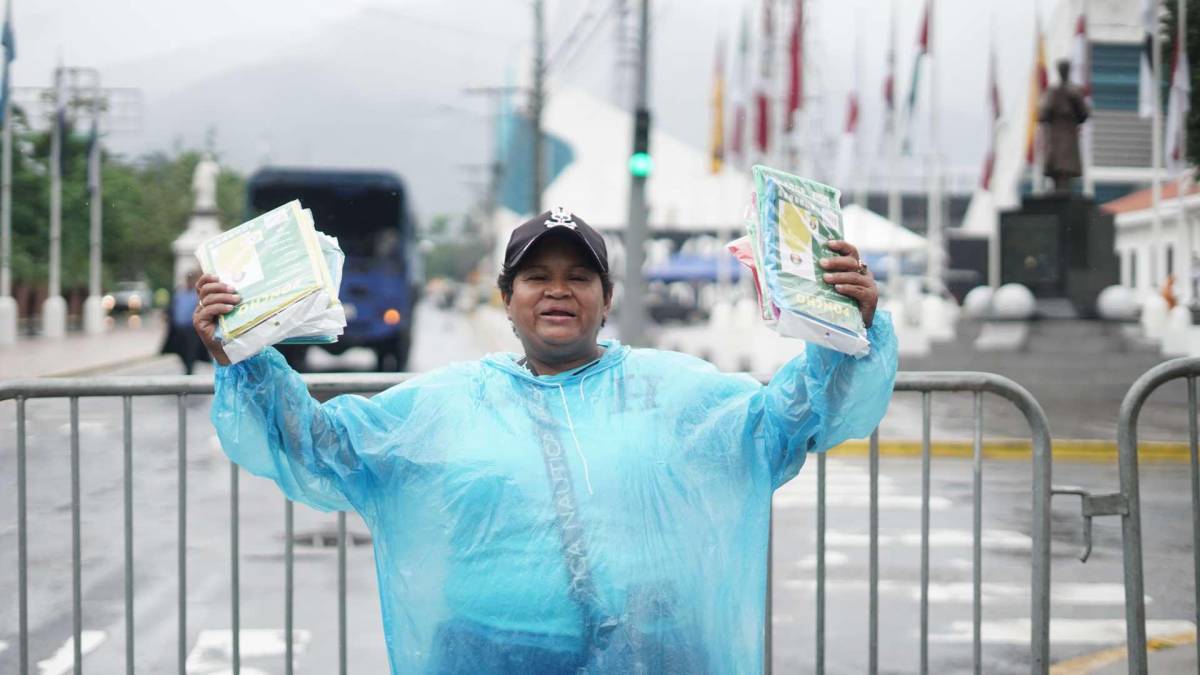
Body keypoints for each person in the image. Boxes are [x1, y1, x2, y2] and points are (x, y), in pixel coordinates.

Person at [194, 208, 898, 674]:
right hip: (484, 651)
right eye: (537, 276)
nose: (557, 291)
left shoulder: (675, 390)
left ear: (605, 296)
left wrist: (844, 330)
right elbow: (322, 447)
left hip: (656, 654)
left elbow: (783, 423)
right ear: (507, 296)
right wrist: (246, 355)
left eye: (578, 276)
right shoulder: (444, 402)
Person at [162, 270, 208, 374]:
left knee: (191, 353)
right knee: (180, 351)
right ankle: (187, 368)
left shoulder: (198, 295)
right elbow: (172, 307)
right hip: (178, 329)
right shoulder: (179, 292)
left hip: (192, 330)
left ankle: (189, 371)